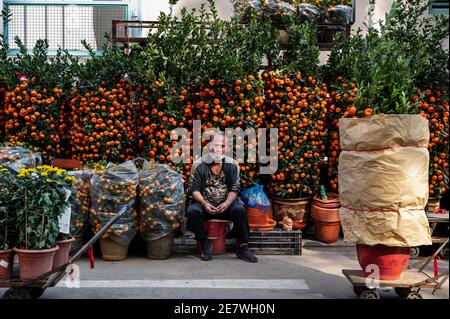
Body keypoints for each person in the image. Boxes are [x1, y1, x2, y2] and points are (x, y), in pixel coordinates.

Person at [186, 132, 258, 263]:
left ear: (227, 148)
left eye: (222, 146)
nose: (219, 149)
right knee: (192, 211)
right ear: (209, 146)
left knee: (239, 210)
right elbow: (194, 189)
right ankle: (205, 243)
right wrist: (203, 203)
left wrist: (227, 203)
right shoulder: (198, 165)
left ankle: (243, 247)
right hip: (205, 205)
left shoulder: (232, 164)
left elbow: (235, 188)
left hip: (225, 205)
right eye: (216, 145)